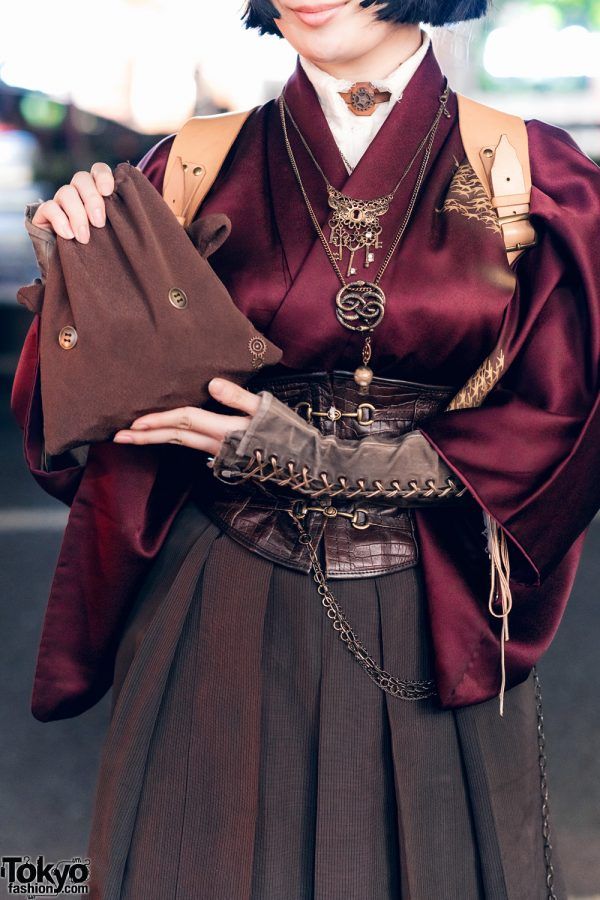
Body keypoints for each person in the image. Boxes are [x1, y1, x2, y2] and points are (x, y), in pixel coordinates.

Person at [16, 1, 600, 898]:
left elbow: (563, 422)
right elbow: (83, 425)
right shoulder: (191, 166)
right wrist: (86, 281)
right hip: (217, 591)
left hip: (427, 602)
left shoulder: (530, 170)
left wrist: (321, 457)